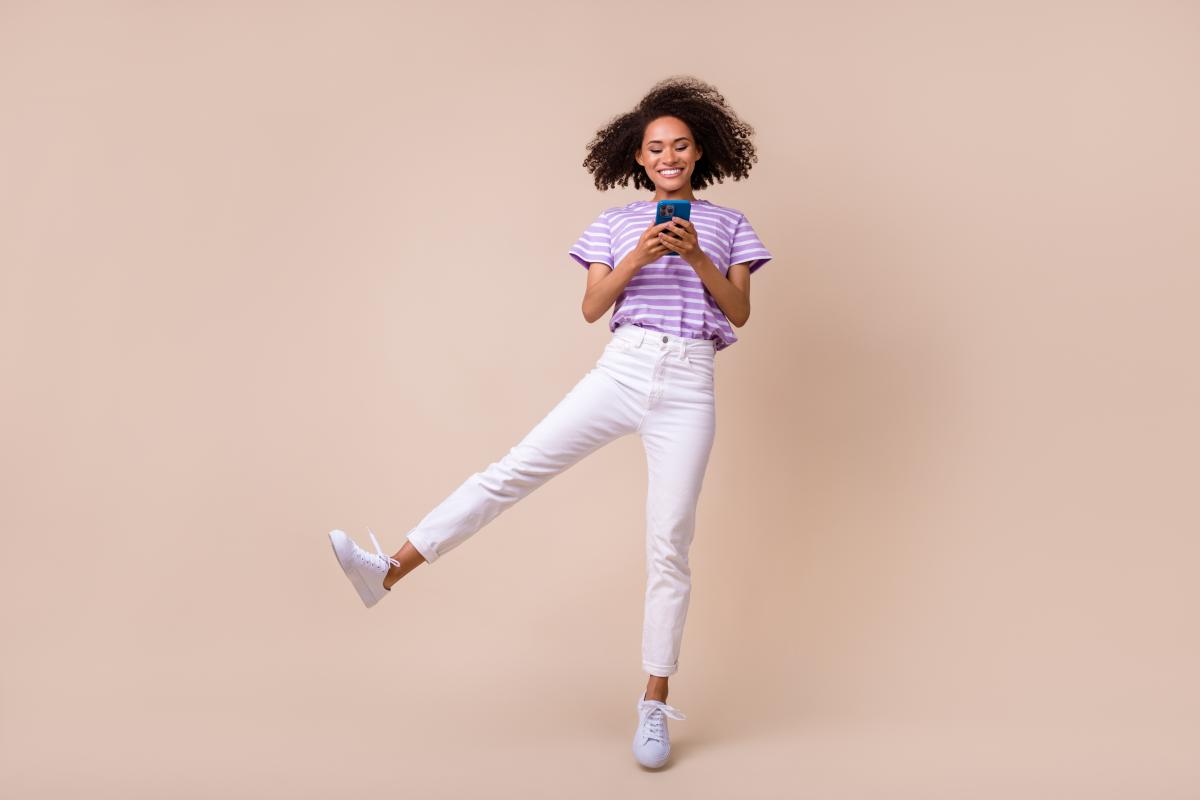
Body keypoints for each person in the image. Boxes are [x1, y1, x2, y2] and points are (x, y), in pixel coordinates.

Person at [327, 75, 772, 769]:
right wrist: (640, 255)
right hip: (623, 368)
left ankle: (654, 702)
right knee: (511, 472)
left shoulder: (730, 225)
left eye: (682, 145)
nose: (670, 156)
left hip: (689, 383)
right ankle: (386, 571)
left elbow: (738, 311)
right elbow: (592, 307)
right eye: (657, 148)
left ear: (700, 151)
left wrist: (693, 254)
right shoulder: (615, 224)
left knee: (670, 542)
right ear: (638, 158)